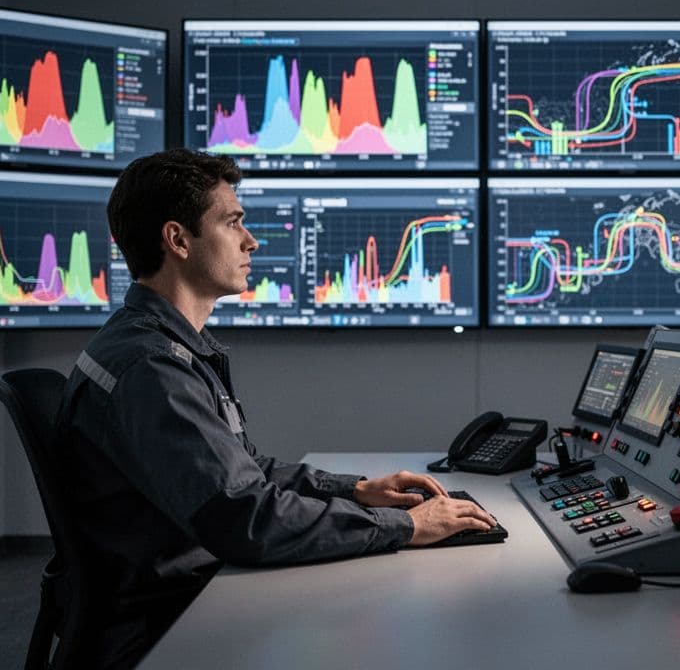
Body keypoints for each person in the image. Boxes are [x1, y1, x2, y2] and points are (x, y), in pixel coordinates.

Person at [57, 148, 494, 669]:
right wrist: (406, 527)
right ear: (177, 239)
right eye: (233, 222)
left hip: (191, 592)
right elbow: (246, 519)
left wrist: (355, 490)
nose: (251, 240)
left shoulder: (164, 347)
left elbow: (239, 474)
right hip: (169, 625)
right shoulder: (151, 368)